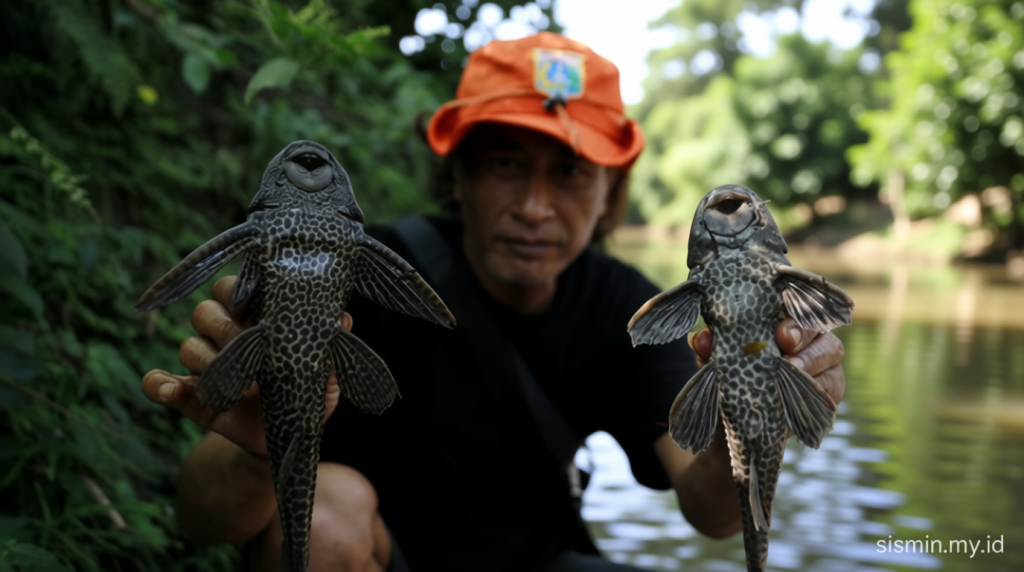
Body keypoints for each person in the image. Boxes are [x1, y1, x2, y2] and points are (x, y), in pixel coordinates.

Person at [140, 32, 846, 571]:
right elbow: (200, 516)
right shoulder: (349, 272)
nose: (536, 206)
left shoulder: (626, 305)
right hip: (382, 555)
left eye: (570, 171)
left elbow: (711, 510)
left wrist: (748, 426)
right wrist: (258, 450)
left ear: (609, 191)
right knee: (325, 515)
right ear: (459, 174)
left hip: (546, 559)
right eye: (507, 164)